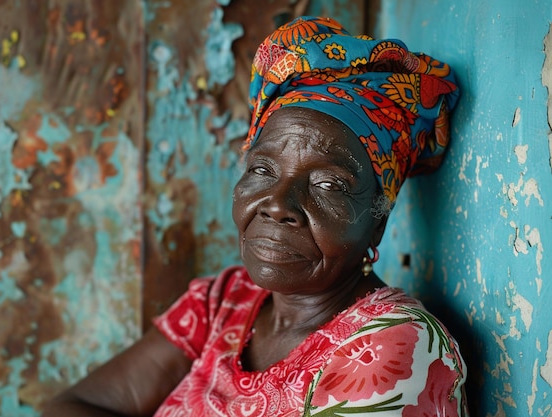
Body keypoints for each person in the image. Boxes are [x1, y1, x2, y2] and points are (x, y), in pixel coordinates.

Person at [42, 16, 468, 417]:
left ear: (378, 219)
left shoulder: (395, 347)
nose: (278, 203)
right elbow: (74, 404)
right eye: (262, 170)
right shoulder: (225, 301)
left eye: (327, 184)